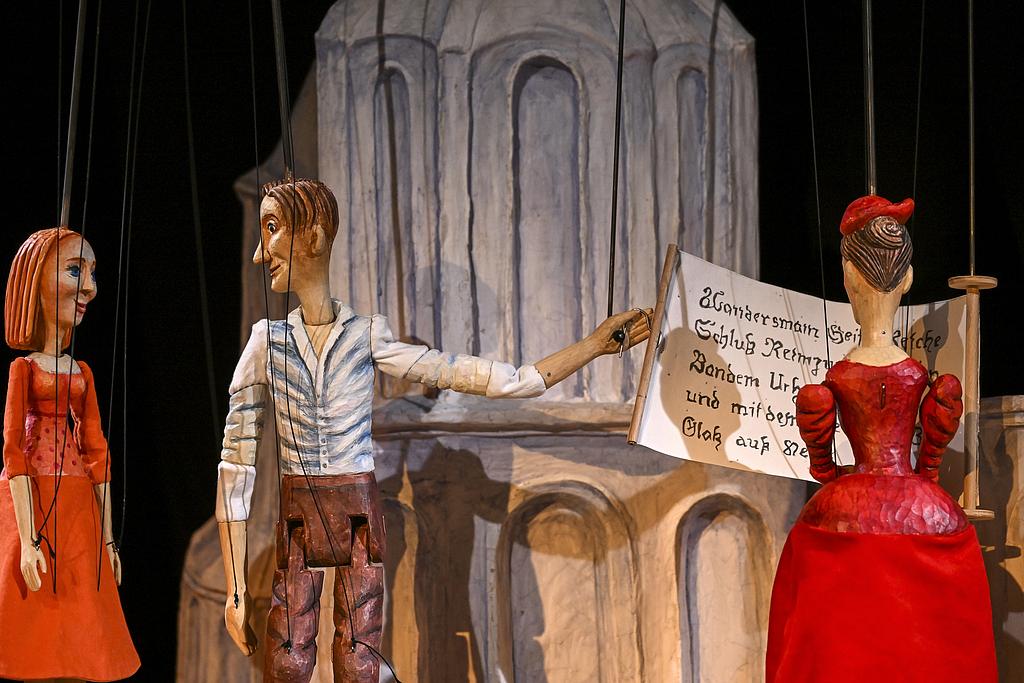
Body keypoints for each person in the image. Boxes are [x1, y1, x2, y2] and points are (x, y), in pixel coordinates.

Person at [216, 178, 652, 682]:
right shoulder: (266, 342)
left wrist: (593, 346)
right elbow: (236, 463)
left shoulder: (366, 336)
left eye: (272, 229)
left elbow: (508, 380)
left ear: (311, 236)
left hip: (357, 516)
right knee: (289, 661)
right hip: (300, 515)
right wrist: (235, 588)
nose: (259, 253)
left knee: (358, 662)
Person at [765, 196, 997, 682]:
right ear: (907, 279)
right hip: (924, 506)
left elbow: (822, 461)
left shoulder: (838, 377)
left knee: (833, 649)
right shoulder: (919, 376)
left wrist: (832, 474)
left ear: (848, 277)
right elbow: (930, 453)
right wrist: (926, 473)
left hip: (843, 507)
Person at [0, 227, 140, 681]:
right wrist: (27, 541)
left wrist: (109, 540)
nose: (90, 288)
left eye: (93, 274)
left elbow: (97, 450)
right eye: (76, 270)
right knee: (35, 622)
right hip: (34, 499)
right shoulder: (23, 370)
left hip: (78, 506)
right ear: (38, 279)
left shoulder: (83, 372)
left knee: (81, 622)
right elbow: (14, 452)